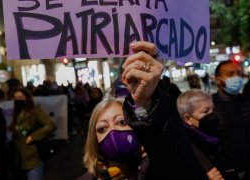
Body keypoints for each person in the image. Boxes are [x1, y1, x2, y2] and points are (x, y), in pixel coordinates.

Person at [79, 41, 208, 180]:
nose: (112, 131)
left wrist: (146, 101)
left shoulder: (159, 169)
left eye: (122, 122)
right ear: (94, 140)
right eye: (102, 129)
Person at [211, 60, 250, 180]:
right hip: (224, 173)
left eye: (238, 74)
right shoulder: (210, 107)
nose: (236, 78)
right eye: (230, 74)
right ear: (217, 79)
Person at [9, 87, 56, 180]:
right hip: (20, 160)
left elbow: (50, 125)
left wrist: (33, 137)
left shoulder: (35, 110)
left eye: (20, 97)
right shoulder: (17, 113)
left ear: (27, 98)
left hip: (33, 157)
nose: (17, 100)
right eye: (15, 97)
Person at [177, 89, 224, 180]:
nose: (212, 114)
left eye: (213, 109)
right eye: (205, 112)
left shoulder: (216, 133)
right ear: (188, 119)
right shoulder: (183, 146)